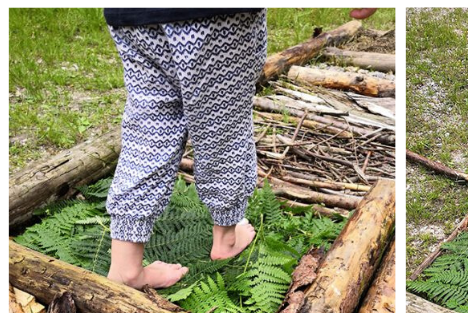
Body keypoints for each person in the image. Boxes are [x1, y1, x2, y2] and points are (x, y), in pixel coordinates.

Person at [102, 8, 376, 289]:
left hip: (131, 16)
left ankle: (126, 267)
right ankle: (227, 237)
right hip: (215, 18)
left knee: (149, 130)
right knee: (222, 126)